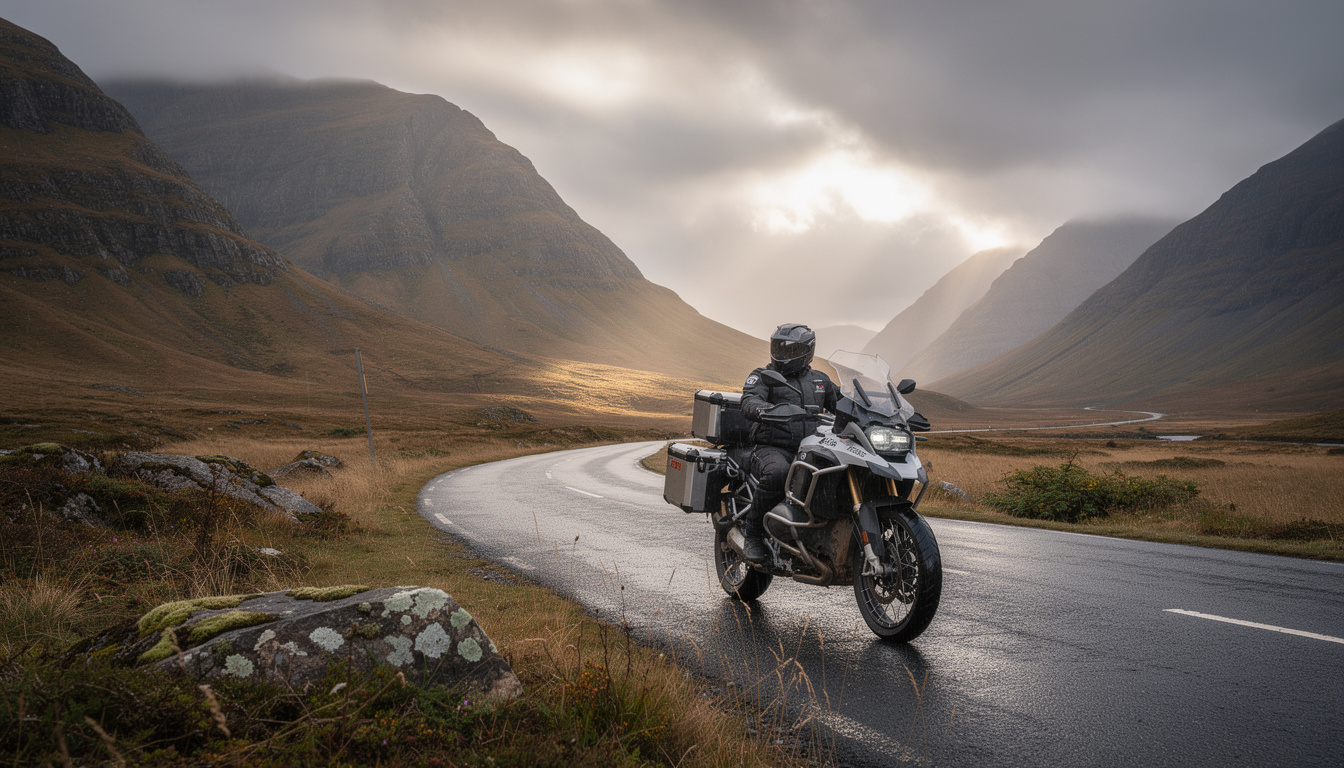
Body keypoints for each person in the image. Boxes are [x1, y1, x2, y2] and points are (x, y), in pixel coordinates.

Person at [738, 323, 840, 564]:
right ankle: (753, 532)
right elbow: (749, 400)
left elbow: (844, 404)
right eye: (779, 348)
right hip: (772, 447)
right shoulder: (764, 375)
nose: (782, 354)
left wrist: (870, 411)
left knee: (834, 474)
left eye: (789, 349)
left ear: (806, 352)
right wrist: (764, 410)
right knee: (778, 474)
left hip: (811, 449)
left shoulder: (820, 380)